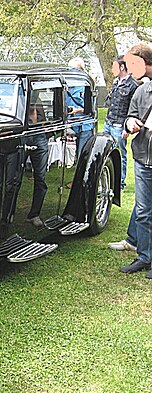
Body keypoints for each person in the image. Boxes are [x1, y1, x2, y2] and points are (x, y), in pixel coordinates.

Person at [119, 43, 152, 279]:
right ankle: (144, 257)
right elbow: (130, 116)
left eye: (133, 64)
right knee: (143, 211)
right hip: (142, 159)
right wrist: (130, 123)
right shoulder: (141, 91)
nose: (130, 70)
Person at [103, 55, 139, 189]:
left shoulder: (132, 85)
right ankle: (108, 179)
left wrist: (126, 128)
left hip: (119, 126)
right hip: (108, 123)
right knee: (106, 152)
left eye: (114, 66)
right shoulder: (115, 82)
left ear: (122, 67)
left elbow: (133, 109)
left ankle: (120, 183)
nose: (112, 70)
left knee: (121, 154)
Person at [20, 104, 49, 227]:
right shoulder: (20, 100)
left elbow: (45, 122)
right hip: (23, 134)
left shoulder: (39, 102)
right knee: (15, 177)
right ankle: (7, 214)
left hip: (39, 136)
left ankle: (34, 214)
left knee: (40, 178)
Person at [66, 57, 95, 160]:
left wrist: (77, 110)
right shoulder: (66, 84)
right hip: (70, 124)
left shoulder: (86, 85)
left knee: (82, 155)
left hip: (84, 126)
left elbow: (90, 109)